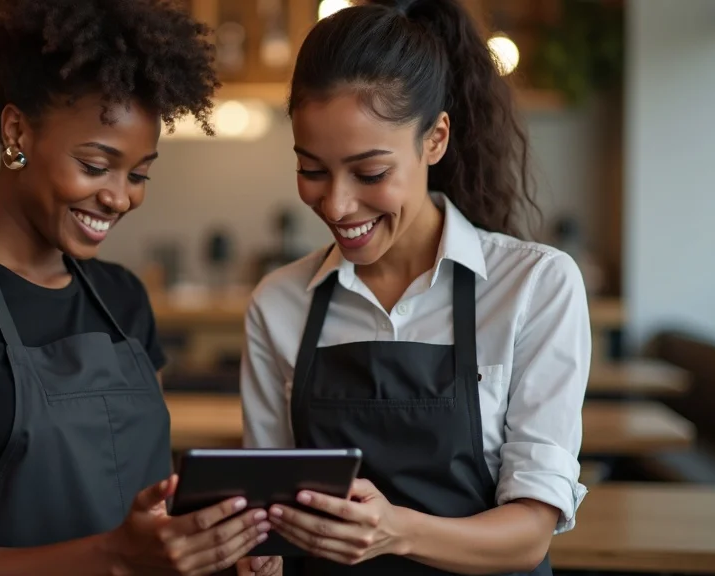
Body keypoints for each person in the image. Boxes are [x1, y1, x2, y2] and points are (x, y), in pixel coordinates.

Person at [0, 1, 281, 574]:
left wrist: (213, 548)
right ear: (16, 132)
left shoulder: (123, 298)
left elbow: (147, 508)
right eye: (95, 163)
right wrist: (114, 557)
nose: (119, 197)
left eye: (138, 174)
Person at [240, 0, 590, 574]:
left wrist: (395, 531)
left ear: (435, 139)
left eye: (370, 173)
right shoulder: (278, 303)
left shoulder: (534, 286)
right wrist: (256, 553)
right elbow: (272, 515)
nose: (336, 203)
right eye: (312, 170)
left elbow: (529, 534)